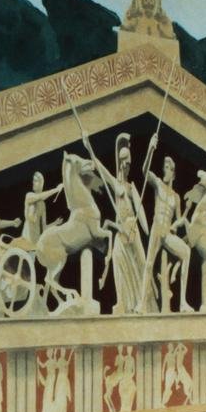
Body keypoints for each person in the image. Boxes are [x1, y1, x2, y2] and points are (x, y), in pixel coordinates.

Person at [84, 132, 155, 314]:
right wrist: (88, 146)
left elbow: (140, 210)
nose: (126, 166)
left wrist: (143, 227)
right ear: (120, 162)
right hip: (121, 229)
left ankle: (145, 301)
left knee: (142, 263)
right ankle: (122, 302)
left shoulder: (131, 188)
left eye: (128, 163)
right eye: (123, 161)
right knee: (117, 258)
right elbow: (100, 168)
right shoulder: (115, 184)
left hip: (132, 228)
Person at [140, 150, 192, 312]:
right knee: (149, 264)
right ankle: (141, 303)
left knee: (187, 252)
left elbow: (178, 219)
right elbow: (144, 171)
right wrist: (150, 149)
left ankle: (183, 302)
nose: (165, 170)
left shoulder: (176, 197)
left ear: (173, 173)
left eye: (168, 168)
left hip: (167, 233)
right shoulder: (158, 184)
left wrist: (180, 219)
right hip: (157, 228)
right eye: (164, 167)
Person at [22, 171, 63, 245]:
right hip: (26, 241)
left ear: (41, 183)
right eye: (33, 180)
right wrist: (56, 189)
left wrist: (55, 223)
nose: (33, 183)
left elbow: (44, 228)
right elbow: (39, 197)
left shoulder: (43, 205)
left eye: (36, 181)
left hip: (36, 243)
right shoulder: (29, 195)